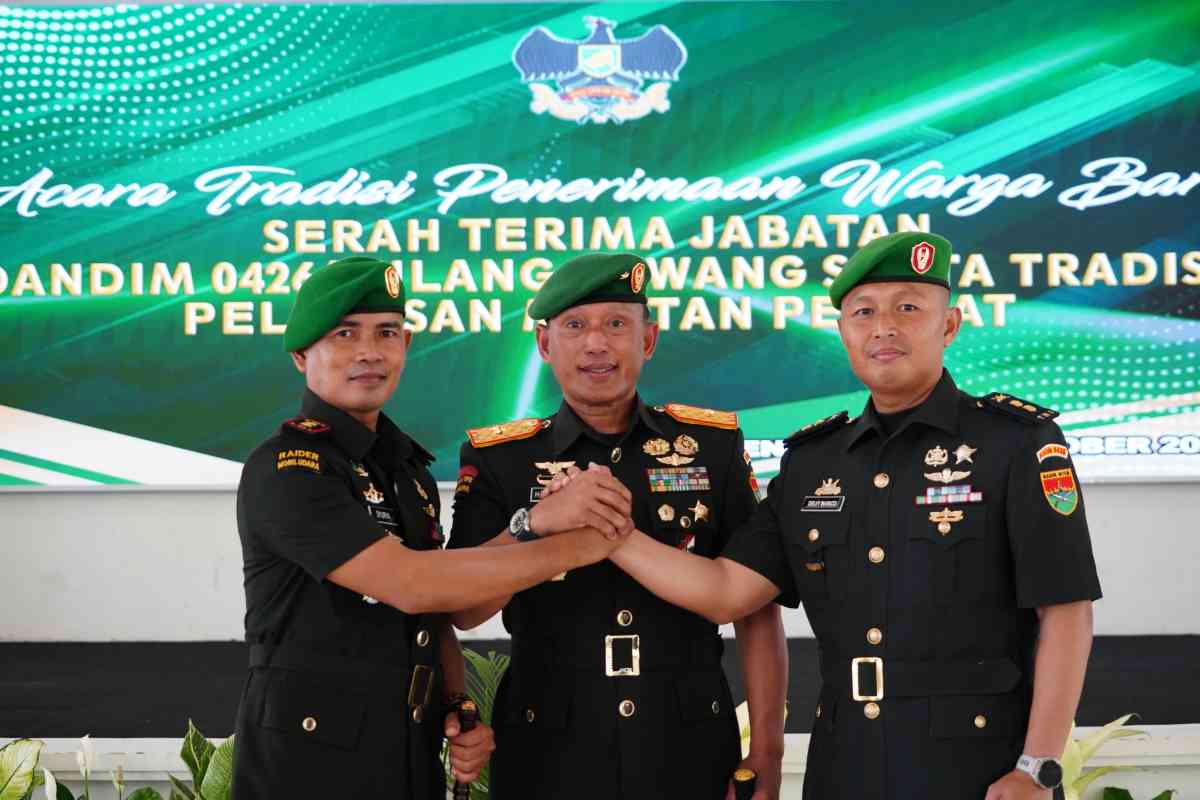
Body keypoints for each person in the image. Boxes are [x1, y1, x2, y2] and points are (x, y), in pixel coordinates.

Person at [594, 233, 1102, 800]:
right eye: (864, 312)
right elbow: (726, 591)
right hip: (845, 763)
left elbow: (1066, 611)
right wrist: (611, 535)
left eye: (907, 308)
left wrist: (1037, 767)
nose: (884, 327)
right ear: (843, 332)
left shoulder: (1015, 443)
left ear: (949, 325)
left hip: (979, 768)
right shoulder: (813, 462)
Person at [230, 256, 632, 799]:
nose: (369, 352)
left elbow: (435, 615)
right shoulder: (289, 467)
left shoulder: (406, 470)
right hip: (309, 762)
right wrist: (579, 546)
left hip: (406, 747)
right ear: (301, 354)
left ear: (406, 345)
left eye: (386, 333)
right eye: (345, 334)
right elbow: (412, 584)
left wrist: (456, 702)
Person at [448, 252, 788, 800]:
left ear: (648, 339)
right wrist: (533, 525)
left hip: (687, 744)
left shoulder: (711, 446)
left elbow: (757, 607)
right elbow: (464, 609)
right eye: (575, 326)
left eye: (615, 324)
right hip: (547, 748)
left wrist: (767, 750)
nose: (596, 344)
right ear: (544, 344)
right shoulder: (500, 459)